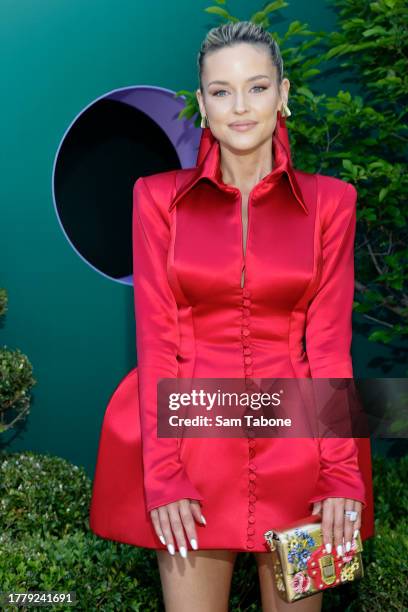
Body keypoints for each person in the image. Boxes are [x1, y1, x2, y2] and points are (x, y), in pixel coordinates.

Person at [89, 21, 375, 612]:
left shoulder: (334, 201)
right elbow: (157, 340)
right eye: (221, 91)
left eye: (257, 87)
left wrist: (342, 472)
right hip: (191, 446)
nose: (240, 107)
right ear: (202, 103)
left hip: (305, 451)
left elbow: (327, 346)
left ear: (284, 93)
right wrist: (163, 473)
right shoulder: (155, 198)